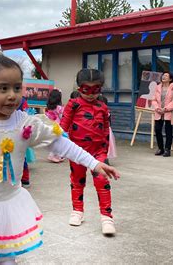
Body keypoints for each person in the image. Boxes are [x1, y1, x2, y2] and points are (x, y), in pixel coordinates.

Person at [0, 52, 120, 264]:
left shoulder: (27, 123)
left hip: (9, 204)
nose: (12, 95)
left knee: (5, 259)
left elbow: (60, 142)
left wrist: (93, 163)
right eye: (3, 88)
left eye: (17, 87)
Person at [60, 68, 116, 235]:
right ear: (79, 88)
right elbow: (63, 126)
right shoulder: (73, 104)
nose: (91, 94)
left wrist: (105, 151)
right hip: (77, 150)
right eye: (86, 90)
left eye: (96, 89)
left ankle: (107, 217)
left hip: (98, 151)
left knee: (102, 181)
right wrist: (61, 145)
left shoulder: (103, 107)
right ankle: (77, 211)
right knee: (77, 181)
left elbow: (106, 129)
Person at [151, 72, 173, 157]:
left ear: (170, 79)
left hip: (169, 112)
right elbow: (153, 100)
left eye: (166, 76)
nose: (164, 77)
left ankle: (167, 149)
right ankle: (160, 148)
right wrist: (157, 108)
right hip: (158, 112)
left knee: (168, 131)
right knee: (157, 130)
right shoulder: (158, 87)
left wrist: (166, 109)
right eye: (163, 75)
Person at [45, 89, 65, 163]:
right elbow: (62, 117)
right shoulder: (59, 108)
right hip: (57, 127)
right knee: (58, 142)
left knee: (54, 141)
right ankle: (52, 155)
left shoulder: (48, 107)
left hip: (50, 126)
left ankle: (57, 155)